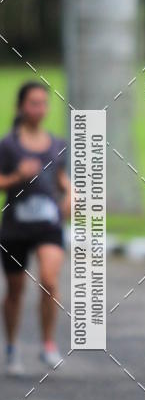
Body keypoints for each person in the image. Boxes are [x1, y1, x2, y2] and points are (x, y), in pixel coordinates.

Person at [0, 81, 71, 375]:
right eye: (33, 103)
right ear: (20, 107)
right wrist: (17, 175)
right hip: (15, 227)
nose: (39, 109)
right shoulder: (7, 146)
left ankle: (48, 344)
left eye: (43, 103)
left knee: (50, 280)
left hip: (48, 225)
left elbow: (62, 180)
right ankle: (13, 346)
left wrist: (72, 195)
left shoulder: (57, 145)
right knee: (15, 290)